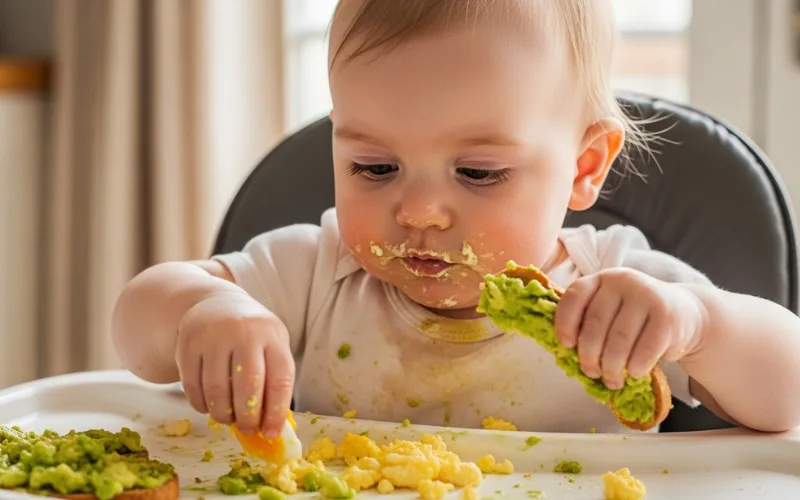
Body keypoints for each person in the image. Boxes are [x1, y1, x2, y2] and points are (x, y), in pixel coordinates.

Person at [112, 0, 800, 438]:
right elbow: (137, 334)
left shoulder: (612, 291)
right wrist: (204, 306)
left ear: (584, 168)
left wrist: (698, 325)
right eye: (374, 168)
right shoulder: (316, 274)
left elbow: (787, 398)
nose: (416, 211)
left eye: (478, 173)